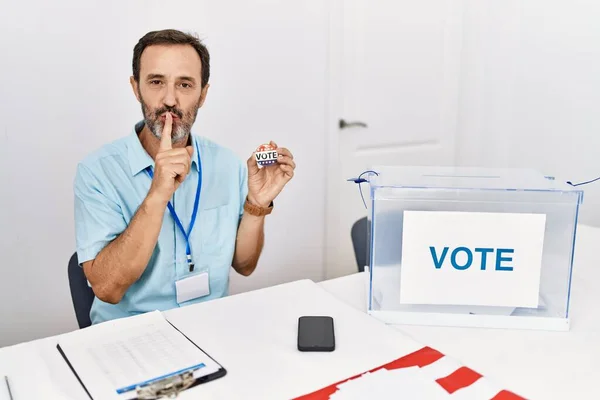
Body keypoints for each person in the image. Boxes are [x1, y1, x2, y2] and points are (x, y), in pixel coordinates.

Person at [73, 29, 295, 325]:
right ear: (136, 88)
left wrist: (256, 205)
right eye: (156, 82)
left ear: (203, 94)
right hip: (131, 335)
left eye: (185, 84)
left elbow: (244, 266)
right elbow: (107, 288)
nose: (169, 100)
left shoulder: (227, 164)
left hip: (212, 327)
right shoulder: (97, 172)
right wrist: (157, 193)